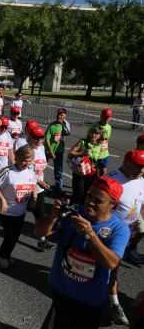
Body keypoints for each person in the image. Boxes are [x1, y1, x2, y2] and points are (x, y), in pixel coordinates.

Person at [37, 176, 130, 329]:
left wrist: (90, 234)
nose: (90, 202)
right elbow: (39, 231)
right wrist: (53, 216)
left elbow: (112, 262)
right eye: (89, 196)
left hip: (91, 301)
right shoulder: (74, 213)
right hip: (62, 293)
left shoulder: (119, 228)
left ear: (112, 204)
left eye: (98, 200)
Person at [106, 149, 144, 325]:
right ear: (126, 163)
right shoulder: (112, 180)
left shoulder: (140, 181)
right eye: (138, 166)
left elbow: (139, 202)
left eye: (143, 167)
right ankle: (113, 304)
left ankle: (110, 301)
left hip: (127, 233)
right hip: (109, 233)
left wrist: (138, 219)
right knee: (110, 268)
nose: (141, 170)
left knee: (113, 268)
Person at [0, 145, 37, 268]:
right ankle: (2, 256)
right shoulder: (8, 171)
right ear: (16, 158)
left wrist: (34, 198)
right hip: (6, 211)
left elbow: (34, 186)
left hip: (20, 212)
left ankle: (3, 253)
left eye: (28, 160)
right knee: (10, 236)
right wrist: (3, 200)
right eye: (23, 160)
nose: (25, 163)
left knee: (14, 236)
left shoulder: (30, 172)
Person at [68, 127, 103, 205]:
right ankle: (71, 210)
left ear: (100, 136)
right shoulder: (83, 142)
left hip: (91, 174)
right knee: (78, 193)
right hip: (80, 173)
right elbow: (70, 153)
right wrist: (82, 153)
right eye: (93, 133)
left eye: (97, 134)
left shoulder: (100, 145)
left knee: (87, 194)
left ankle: (81, 211)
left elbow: (99, 161)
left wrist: (98, 175)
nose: (94, 135)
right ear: (89, 133)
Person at [45, 108, 71, 193]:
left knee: (58, 170)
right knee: (42, 166)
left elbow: (68, 132)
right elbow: (47, 139)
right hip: (49, 150)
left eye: (62, 115)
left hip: (59, 151)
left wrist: (65, 123)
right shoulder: (52, 125)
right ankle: (37, 182)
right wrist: (51, 152)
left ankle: (58, 187)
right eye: (59, 114)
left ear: (65, 116)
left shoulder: (64, 125)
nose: (59, 116)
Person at [90, 108, 112, 176]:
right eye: (105, 117)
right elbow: (89, 137)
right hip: (95, 153)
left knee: (103, 170)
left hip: (104, 153)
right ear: (101, 116)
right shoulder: (95, 125)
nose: (106, 119)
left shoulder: (109, 127)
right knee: (96, 171)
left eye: (108, 117)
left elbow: (107, 138)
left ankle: (102, 182)